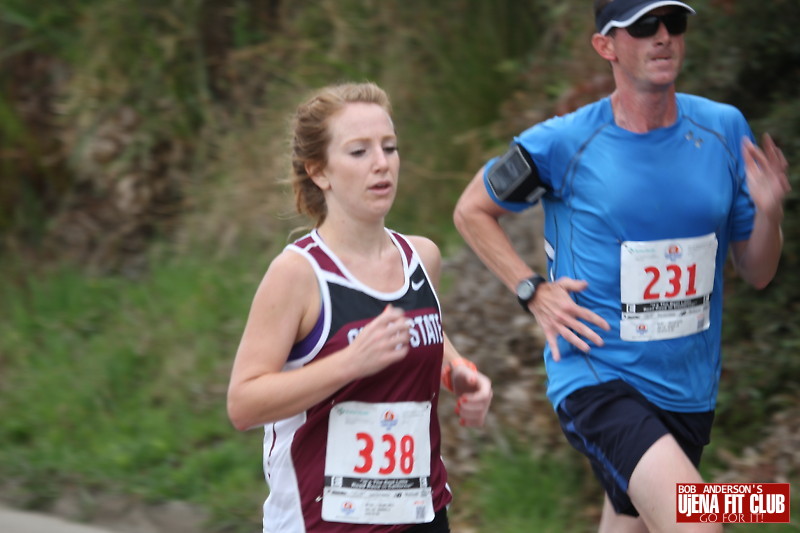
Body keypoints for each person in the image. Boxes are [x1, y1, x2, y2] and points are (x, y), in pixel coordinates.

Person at [453, 0, 790, 531]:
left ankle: (775, 502)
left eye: (673, 23)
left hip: (688, 389)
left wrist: (769, 214)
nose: (663, 36)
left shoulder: (724, 129)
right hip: (598, 376)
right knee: (700, 517)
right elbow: (471, 210)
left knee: (644, 521)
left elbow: (759, 271)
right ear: (605, 45)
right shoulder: (563, 142)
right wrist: (532, 290)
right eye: (643, 26)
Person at [227, 82, 493, 533]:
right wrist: (349, 363)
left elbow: (422, 338)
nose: (381, 163)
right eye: (358, 151)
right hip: (324, 522)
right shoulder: (298, 275)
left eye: (389, 147)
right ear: (320, 172)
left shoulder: (421, 258)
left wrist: (461, 375)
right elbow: (243, 404)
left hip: (420, 511)